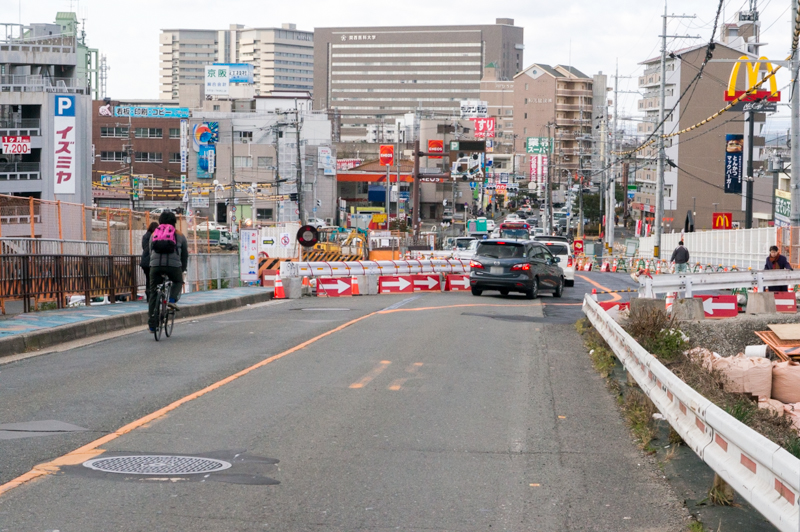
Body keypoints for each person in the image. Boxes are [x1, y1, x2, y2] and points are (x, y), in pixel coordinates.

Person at [147, 211, 188, 332]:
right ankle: (171, 300)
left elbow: (150, 251)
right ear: (174, 222)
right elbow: (184, 255)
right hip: (173, 266)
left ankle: (152, 325)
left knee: (153, 292)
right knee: (178, 281)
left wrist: (153, 265)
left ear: (160, 222)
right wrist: (182, 269)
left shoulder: (154, 233)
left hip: (155, 266)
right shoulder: (179, 235)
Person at [140, 222, 159, 301]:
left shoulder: (145, 236)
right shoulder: (155, 236)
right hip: (152, 260)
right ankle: (152, 295)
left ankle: (148, 294)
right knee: (154, 279)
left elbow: (144, 247)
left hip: (144, 261)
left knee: (148, 278)